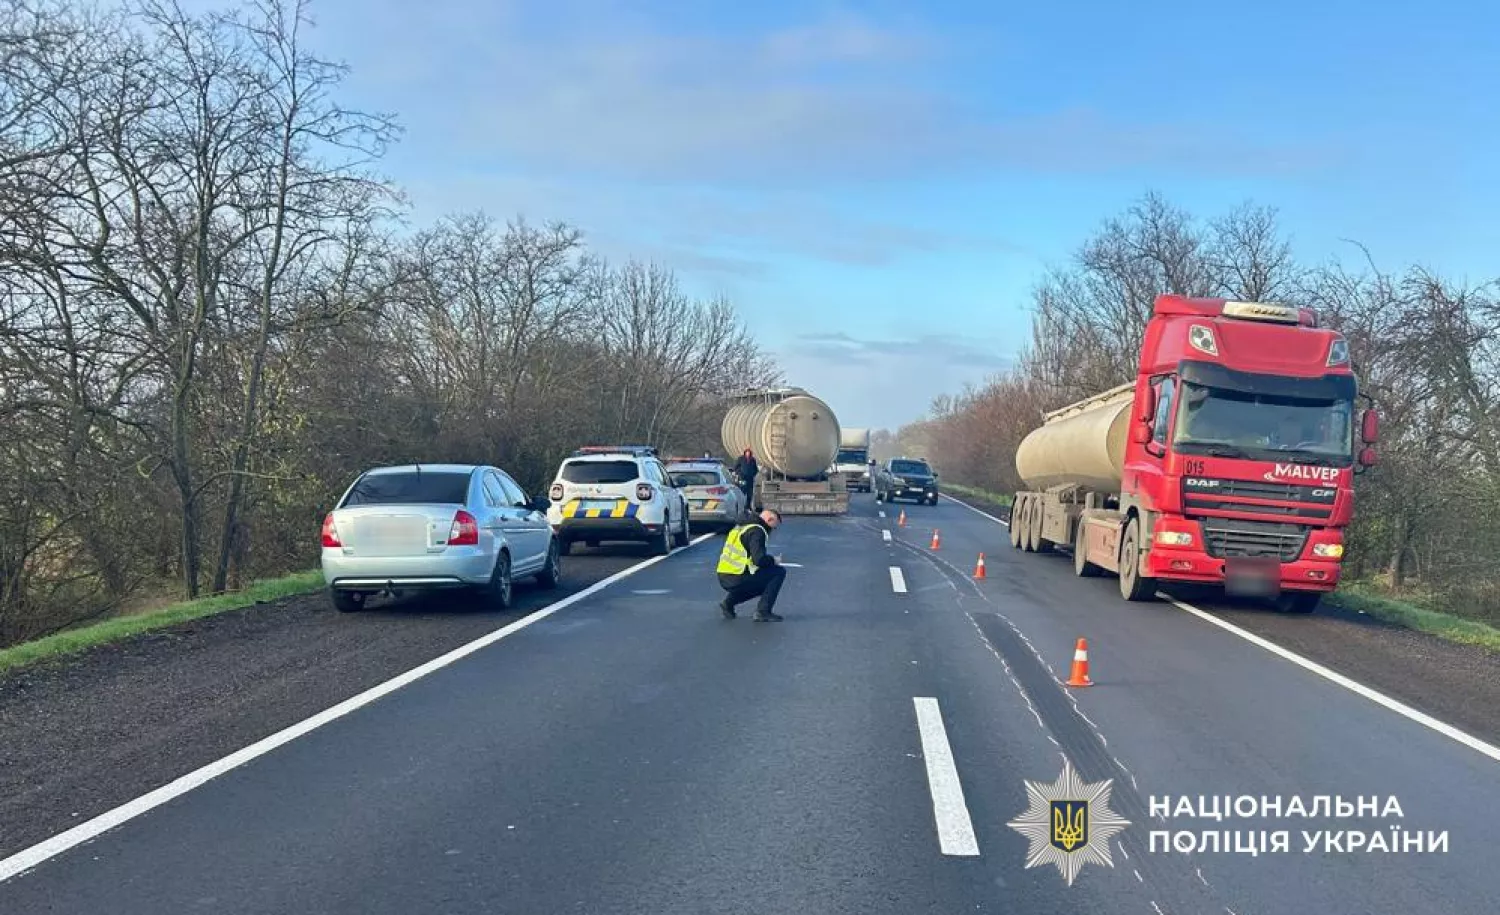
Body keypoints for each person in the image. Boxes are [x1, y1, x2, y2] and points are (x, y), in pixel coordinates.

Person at [715, 508, 785, 622]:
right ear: (769, 519)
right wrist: (774, 560)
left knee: (760, 581)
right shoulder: (757, 531)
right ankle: (763, 612)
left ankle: (728, 603)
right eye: (774, 526)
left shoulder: (741, 526)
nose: (772, 529)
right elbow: (759, 560)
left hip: (724, 575)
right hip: (737, 576)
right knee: (778, 573)